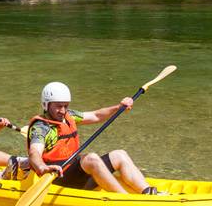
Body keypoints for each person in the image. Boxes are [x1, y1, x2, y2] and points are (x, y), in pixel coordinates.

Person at [26, 81, 161, 195]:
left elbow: (96, 115)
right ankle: (124, 199)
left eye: (65, 106)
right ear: (46, 105)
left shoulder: (69, 116)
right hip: (57, 178)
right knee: (91, 158)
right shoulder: (41, 127)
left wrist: (118, 107)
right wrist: (42, 167)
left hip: (76, 176)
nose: (62, 110)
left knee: (120, 155)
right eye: (58, 106)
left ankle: (147, 191)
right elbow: (34, 153)